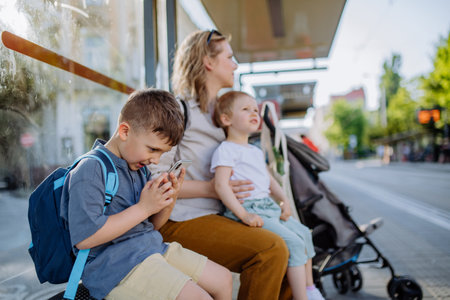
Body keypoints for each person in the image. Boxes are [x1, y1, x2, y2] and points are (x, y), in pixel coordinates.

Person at [149, 30, 292, 299]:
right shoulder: (180, 111)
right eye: (230, 56)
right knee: (271, 249)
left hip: (219, 215)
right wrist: (214, 188)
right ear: (208, 62)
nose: (235, 64)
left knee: (291, 249)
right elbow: (156, 178)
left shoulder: (224, 115)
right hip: (181, 218)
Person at [61, 89, 232, 300]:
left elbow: (153, 226)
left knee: (224, 280)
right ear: (124, 131)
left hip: (150, 248)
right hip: (116, 266)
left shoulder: (138, 168)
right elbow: (85, 239)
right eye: (153, 149)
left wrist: (169, 198)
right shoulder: (91, 169)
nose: (156, 161)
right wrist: (144, 207)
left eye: (162, 153)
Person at [210, 91, 325, 300]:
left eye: (255, 109)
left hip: (268, 207)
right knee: (294, 243)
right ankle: (302, 297)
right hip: (250, 209)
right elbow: (221, 185)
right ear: (226, 119)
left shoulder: (255, 150)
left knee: (304, 233)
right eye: (245, 109)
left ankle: (309, 288)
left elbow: (269, 180)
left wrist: (284, 200)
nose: (254, 113)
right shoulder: (226, 149)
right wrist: (243, 214)